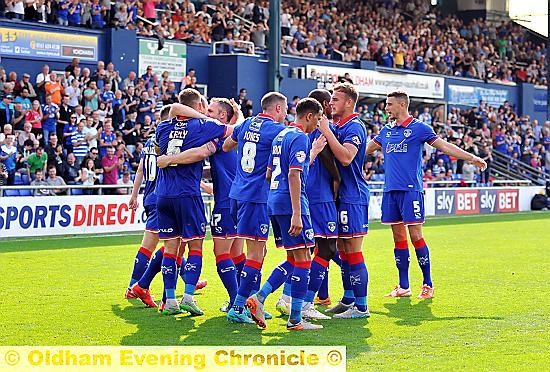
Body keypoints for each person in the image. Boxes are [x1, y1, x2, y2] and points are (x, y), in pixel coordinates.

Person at [366, 90, 487, 299]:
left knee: (415, 236)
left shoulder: (419, 128)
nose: (386, 108)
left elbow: (444, 146)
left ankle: (427, 284)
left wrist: (471, 158)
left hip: (411, 191)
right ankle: (403, 286)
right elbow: (359, 152)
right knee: (398, 238)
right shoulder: (385, 131)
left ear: (402, 105)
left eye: (389, 104)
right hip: (390, 191)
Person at [157, 97, 246, 313]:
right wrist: (238, 113)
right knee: (222, 251)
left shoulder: (163, 127)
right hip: (223, 198)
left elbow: (176, 111)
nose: (207, 112)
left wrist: (168, 159)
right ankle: (239, 301)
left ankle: (169, 299)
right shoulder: (208, 128)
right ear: (196, 107)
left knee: (173, 249)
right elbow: (237, 128)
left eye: (211, 110)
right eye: (205, 108)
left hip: (166, 193)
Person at [246, 98, 328, 331]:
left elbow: (269, 173)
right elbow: (294, 175)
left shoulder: (281, 136)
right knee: (304, 260)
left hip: (274, 200)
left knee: (293, 259)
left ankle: (259, 298)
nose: (318, 124)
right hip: (292, 203)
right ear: (309, 116)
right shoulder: (300, 137)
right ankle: (295, 319)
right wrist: (297, 213)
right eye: (319, 118)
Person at [222, 91, 287, 323]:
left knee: (259, 251)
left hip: (238, 193)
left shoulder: (247, 123)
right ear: (277, 109)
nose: (287, 113)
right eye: (286, 108)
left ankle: (253, 303)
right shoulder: (277, 131)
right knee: (256, 253)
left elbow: (227, 146)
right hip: (256, 195)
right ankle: (238, 308)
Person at [318, 82, 371, 318]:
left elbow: (347, 158)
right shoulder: (340, 126)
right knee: (342, 248)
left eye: (336, 100)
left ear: (349, 102)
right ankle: (349, 298)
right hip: (339, 196)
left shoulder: (354, 127)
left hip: (353, 195)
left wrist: (327, 131)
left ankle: (361, 306)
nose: (331, 103)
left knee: (353, 249)